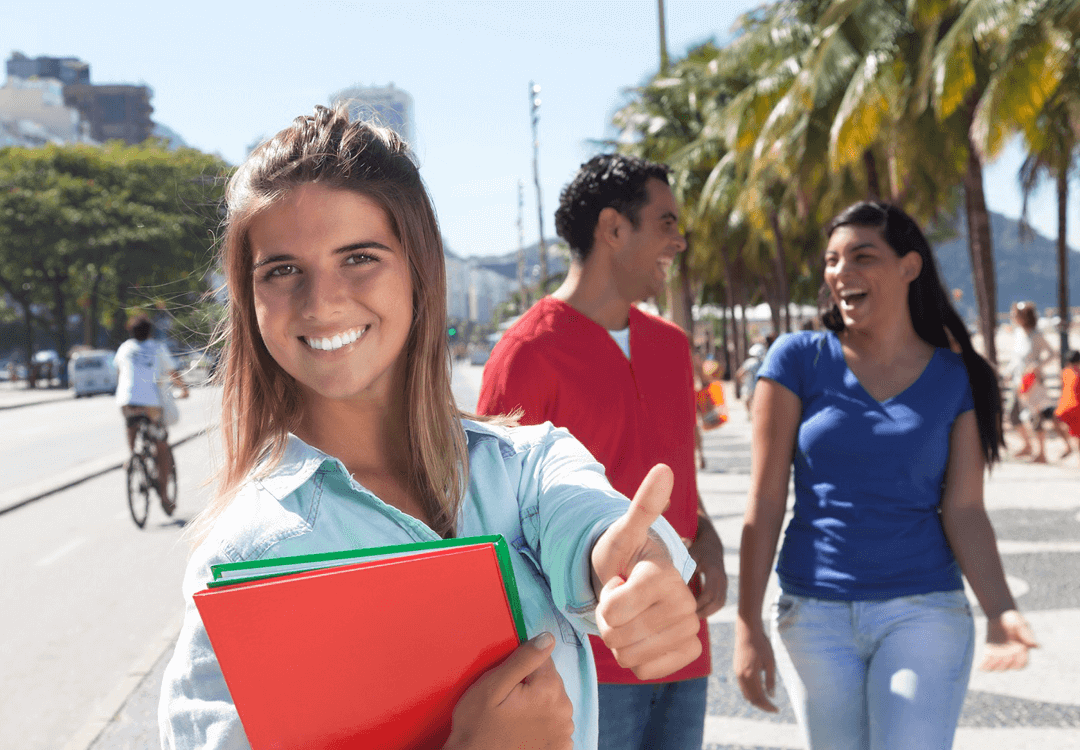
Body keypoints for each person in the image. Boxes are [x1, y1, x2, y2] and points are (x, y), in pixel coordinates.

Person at [158, 107, 705, 750]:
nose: (321, 300)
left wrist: (636, 570)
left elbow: (595, 526)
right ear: (248, 300)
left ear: (419, 270)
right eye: (281, 270)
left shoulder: (528, 466)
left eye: (358, 257)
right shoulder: (242, 561)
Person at [734, 201, 1037, 750]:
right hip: (813, 613)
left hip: (924, 611)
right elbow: (766, 499)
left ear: (909, 267)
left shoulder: (957, 376)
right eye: (831, 260)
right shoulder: (796, 359)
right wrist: (747, 623)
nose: (839, 273)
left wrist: (1001, 608)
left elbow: (965, 510)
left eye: (862, 256)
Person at [478, 153, 726, 750]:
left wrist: (709, 540)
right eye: (666, 221)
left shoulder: (671, 347)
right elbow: (490, 521)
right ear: (613, 228)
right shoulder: (524, 355)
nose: (680, 238)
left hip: (680, 637)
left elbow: (674, 478)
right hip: (582, 663)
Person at [115, 314, 189, 511]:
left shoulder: (125, 348)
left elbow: (119, 372)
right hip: (151, 403)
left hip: (126, 400)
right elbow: (172, 372)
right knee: (161, 445)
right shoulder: (157, 347)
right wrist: (184, 388)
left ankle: (132, 456)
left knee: (131, 421)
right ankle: (165, 497)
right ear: (150, 331)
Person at [1006, 301, 1070, 462]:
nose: (1013, 317)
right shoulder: (1018, 334)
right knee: (1015, 414)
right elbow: (1016, 359)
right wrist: (1009, 372)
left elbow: (1052, 353)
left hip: (1033, 383)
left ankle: (1042, 453)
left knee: (1038, 415)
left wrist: (1037, 366)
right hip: (1018, 382)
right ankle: (1030, 446)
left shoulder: (1036, 335)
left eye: (1016, 314)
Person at [1054, 350, 1080, 463]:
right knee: (1056, 420)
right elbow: (1063, 390)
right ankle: (1069, 447)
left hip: (1075, 406)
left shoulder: (1070, 372)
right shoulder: (1065, 372)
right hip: (1067, 406)